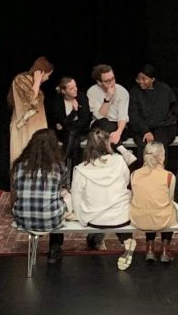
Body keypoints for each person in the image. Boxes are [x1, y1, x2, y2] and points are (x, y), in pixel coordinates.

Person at [70, 128, 136, 270]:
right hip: (121, 215)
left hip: (94, 217)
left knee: (96, 207)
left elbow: (76, 196)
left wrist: (81, 218)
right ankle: (127, 239)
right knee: (118, 204)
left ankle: (96, 240)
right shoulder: (119, 161)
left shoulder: (81, 169)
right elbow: (125, 182)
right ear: (107, 144)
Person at [11, 128, 69, 265]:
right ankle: (55, 247)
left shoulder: (19, 166)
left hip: (23, 219)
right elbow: (64, 187)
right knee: (63, 198)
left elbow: (15, 189)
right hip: (51, 220)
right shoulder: (59, 167)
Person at [130, 141, 178, 263]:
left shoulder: (134, 174)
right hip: (162, 219)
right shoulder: (169, 176)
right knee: (170, 208)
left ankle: (149, 248)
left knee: (148, 205)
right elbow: (170, 199)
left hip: (139, 219)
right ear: (161, 156)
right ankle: (165, 250)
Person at [128, 64, 178, 166]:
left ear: (153, 79)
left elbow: (173, 111)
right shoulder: (135, 92)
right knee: (144, 146)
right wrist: (145, 131)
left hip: (163, 127)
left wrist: (163, 124)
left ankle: (161, 175)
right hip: (142, 128)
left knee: (159, 145)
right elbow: (134, 115)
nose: (141, 82)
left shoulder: (165, 90)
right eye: (139, 79)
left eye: (144, 79)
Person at [8, 57, 53, 171]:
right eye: (48, 74)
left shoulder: (34, 85)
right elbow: (30, 102)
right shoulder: (20, 80)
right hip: (25, 127)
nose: (48, 78)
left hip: (36, 126)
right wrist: (37, 81)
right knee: (24, 155)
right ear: (41, 72)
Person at [46, 76, 91, 183]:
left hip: (80, 131)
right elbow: (60, 121)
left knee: (72, 132)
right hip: (64, 134)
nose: (75, 89)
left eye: (75, 86)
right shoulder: (57, 101)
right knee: (74, 142)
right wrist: (74, 111)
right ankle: (73, 180)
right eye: (71, 88)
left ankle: (61, 163)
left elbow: (84, 120)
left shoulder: (81, 97)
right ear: (63, 91)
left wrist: (67, 123)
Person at [86, 64, 129, 148]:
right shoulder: (92, 91)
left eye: (113, 78)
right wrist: (107, 98)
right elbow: (99, 116)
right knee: (103, 123)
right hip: (99, 126)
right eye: (107, 81)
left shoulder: (122, 92)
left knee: (108, 131)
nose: (112, 82)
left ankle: (120, 149)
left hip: (119, 127)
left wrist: (118, 132)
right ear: (99, 82)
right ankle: (121, 149)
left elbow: (122, 116)